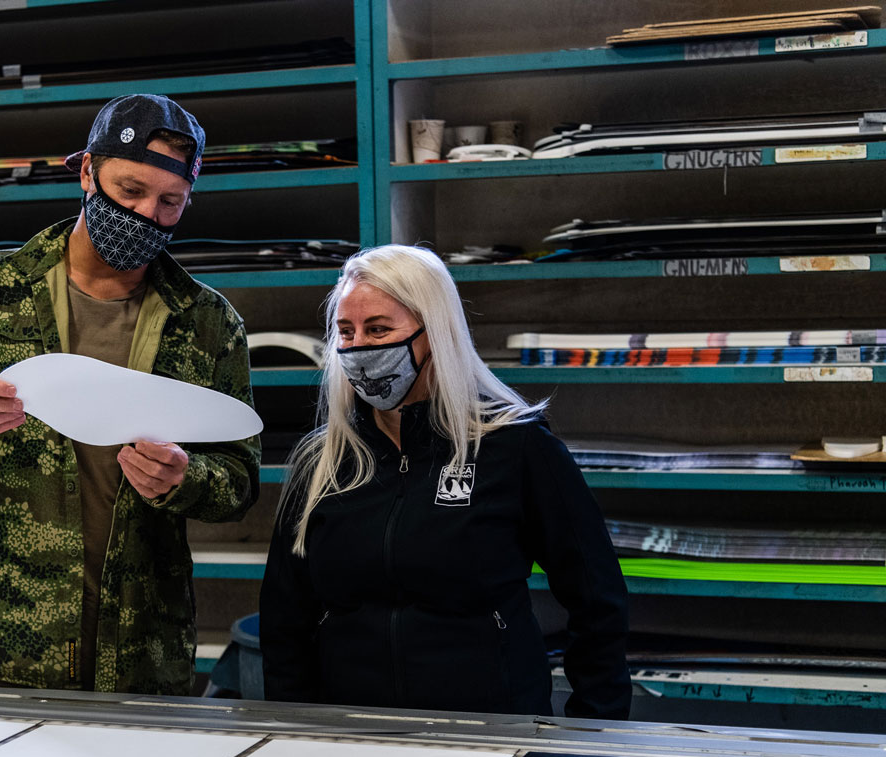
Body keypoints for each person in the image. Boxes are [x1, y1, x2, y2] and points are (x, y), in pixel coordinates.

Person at [0, 94, 261, 694]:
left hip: (139, 651)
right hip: (0, 642)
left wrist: (185, 478)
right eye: (130, 190)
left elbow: (240, 479)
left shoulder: (208, 322)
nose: (145, 214)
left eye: (169, 202)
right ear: (86, 171)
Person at [259, 244, 630, 719]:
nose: (357, 349)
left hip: (490, 731)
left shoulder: (514, 447)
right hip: (353, 738)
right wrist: (297, 730)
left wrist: (593, 733)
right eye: (345, 332)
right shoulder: (323, 461)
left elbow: (596, 598)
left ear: (435, 333)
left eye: (378, 329)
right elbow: (285, 619)